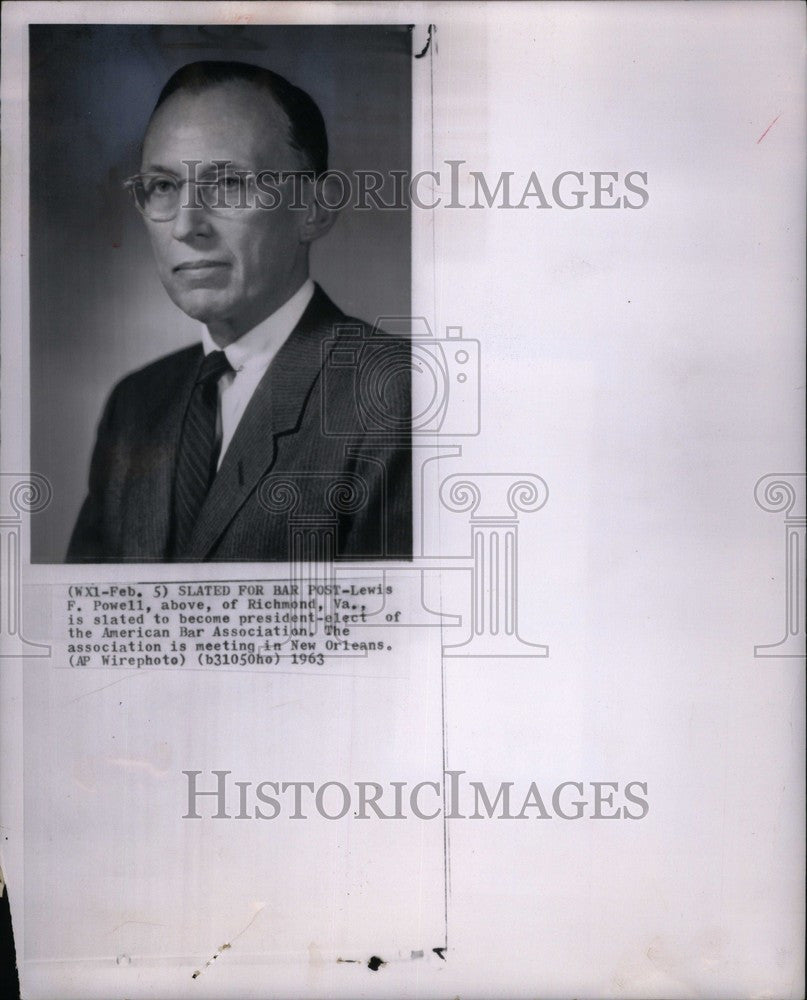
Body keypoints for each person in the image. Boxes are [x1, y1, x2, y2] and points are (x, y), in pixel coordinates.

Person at [67, 61, 411, 563]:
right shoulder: (135, 404)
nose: (186, 226)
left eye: (228, 184)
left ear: (315, 208)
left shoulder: (397, 396)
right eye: (163, 186)